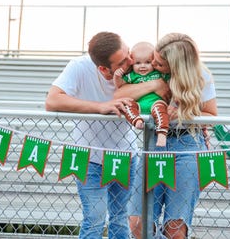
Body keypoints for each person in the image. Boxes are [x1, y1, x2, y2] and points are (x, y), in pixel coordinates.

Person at [45, 32, 170, 239]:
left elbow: (169, 83)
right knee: (94, 220)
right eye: (123, 61)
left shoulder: (138, 65)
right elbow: (52, 101)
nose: (131, 61)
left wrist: (155, 85)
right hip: (89, 158)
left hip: (125, 156)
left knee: (120, 218)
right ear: (104, 69)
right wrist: (100, 107)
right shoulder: (79, 66)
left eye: (128, 53)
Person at [115, 32, 217, 239]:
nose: (152, 64)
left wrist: (182, 114)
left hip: (187, 146)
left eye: (159, 63)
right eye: (154, 58)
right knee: (137, 223)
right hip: (151, 144)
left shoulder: (201, 76)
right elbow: (118, 96)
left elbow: (211, 116)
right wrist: (154, 84)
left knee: (175, 229)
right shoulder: (152, 73)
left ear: (176, 66)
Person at [113, 41, 170, 147]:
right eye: (138, 63)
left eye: (147, 62)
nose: (142, 66)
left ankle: (162, 134)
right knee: (127, 106)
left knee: (160, 111)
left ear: (154, 61)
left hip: (156, 103)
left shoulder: (158, 73)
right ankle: (137, 120)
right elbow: (120, 86)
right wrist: (116, 77)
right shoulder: (132, 76)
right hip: (139, 105)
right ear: (132, 63)